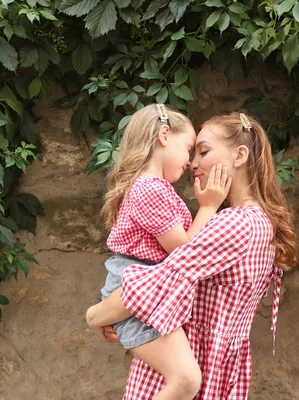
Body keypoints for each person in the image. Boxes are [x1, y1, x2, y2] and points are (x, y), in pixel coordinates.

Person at [86, 112, 298, 399]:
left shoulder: (236, 224)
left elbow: (155, 284)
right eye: (192, 152)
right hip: (213, 366)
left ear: (240, 156)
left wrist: (96, 315)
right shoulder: (256, 221)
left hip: (195, 363)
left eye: (204, 151)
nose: (193, 163)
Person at [87, 104, 231, 399]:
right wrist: (209, 206)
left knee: (186, 380)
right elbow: (185, 251)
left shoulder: (154, 188)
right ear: (164, 135)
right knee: (186, 380)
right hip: (140, 290)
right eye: (189, 148)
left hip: (149, 290)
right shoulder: (149, 189)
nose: (190, 162)